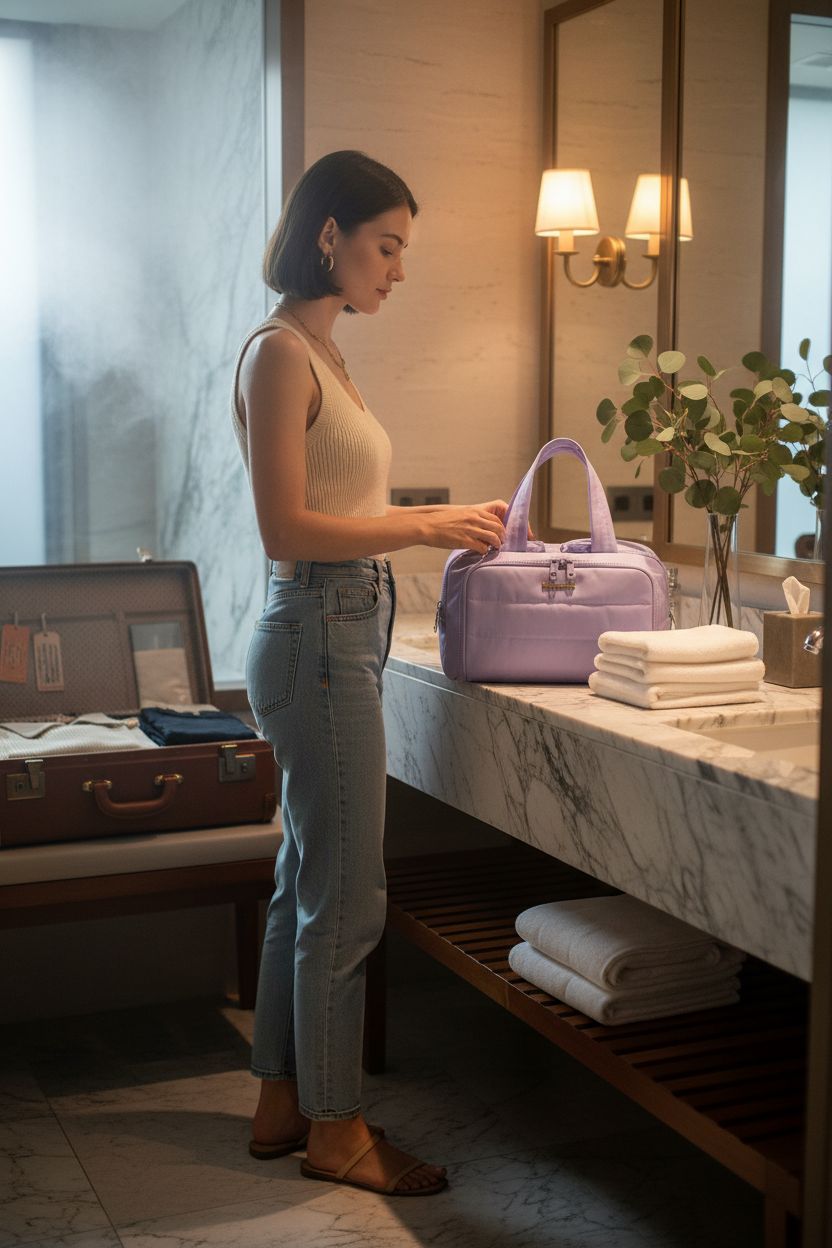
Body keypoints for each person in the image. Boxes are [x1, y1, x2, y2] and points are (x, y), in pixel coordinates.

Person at [230, 150, 509, 1197]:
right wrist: (429, 522)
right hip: (317, 632)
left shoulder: (323, 354)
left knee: (307, 875)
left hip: (336, 631)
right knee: (347, 897)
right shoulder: (278, 356)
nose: (397, 270)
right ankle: (337, 1129)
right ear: (328, 236)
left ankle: (279, 1101)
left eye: (402, 251)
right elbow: (285, 527)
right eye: (385, 246)